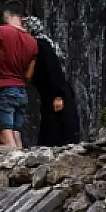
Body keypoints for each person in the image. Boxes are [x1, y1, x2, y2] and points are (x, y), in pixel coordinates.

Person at [23, 15, 81, 146]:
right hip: (53, 91)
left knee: (55, 126)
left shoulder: (41, 45)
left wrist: (58, 95)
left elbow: (54, 70)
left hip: (55, 92)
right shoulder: (47, 42)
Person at [0, 0, 38, 148]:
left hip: (5, 88)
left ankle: (13, 167)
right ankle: (22, 165)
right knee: (16, 132)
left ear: (7, 15)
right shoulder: (33, 42)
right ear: (22, 17)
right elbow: (28, 75)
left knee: (6, 133)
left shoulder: (1, 31)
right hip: (21, 92)